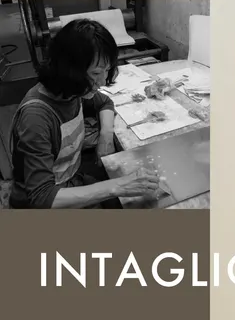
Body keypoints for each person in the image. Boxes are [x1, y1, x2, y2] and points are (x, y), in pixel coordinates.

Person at [8, 18, 160, 209]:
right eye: (96, 73)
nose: (102, 81)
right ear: (69, 70)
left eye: (107, 70)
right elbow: (42, 197)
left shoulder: (72, 92)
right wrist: (118, 186)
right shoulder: (36, 118)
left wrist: (106, 136)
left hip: (71, 180)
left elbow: (105, 102)